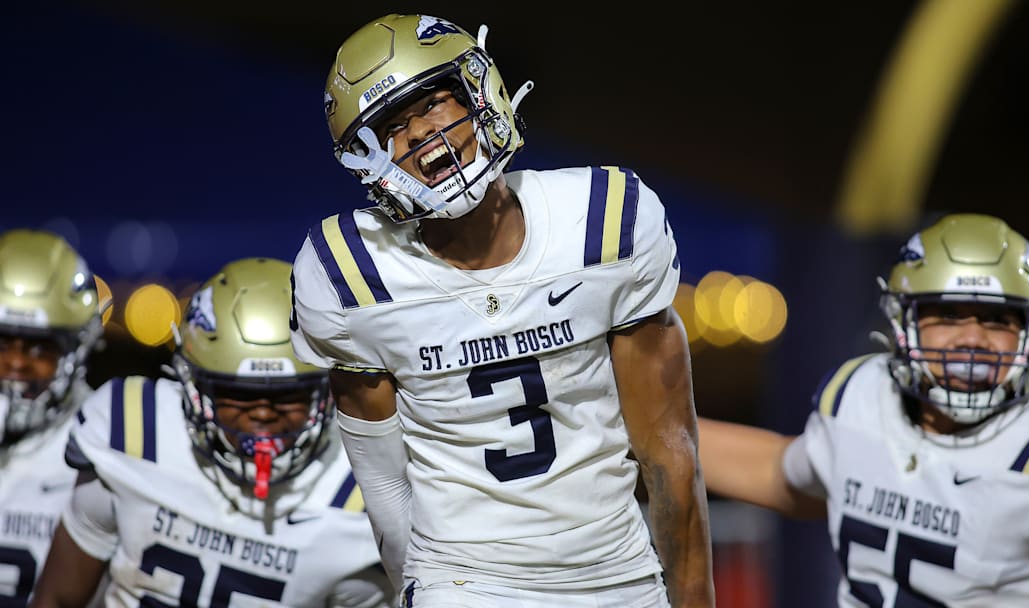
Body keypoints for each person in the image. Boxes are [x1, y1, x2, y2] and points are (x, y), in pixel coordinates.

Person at [289, 13, 715, 607]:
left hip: (616, 572)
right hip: (463, 581)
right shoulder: (350, 275)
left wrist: (692, 598)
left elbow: (669, 450)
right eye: (391, 127)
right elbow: (385, 485)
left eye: (433, 104)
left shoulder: (604, 221)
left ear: (481, 92)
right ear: (366, 160)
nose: (421, 136)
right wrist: (418, 591)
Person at [698, 212, 1029, 606]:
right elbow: (786, 475)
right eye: (948, 314)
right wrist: (661, 432)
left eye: (998, 319)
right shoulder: (863, 396)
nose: (972, 338)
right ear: (903, 322)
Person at [30, 258, 391, 608]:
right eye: (239, 394)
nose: (262, 413)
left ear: (325, 392)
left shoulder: (359, 498)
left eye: (288, 394)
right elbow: (58, 598)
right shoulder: (132, 431)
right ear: (192, 385)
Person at [0, 228, 104, 607]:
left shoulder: (100, 443)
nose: (15, 363)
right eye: (1, 343)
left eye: (40, 347)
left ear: (76, 351)